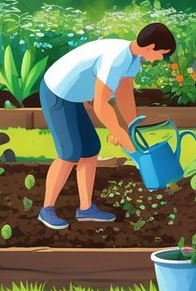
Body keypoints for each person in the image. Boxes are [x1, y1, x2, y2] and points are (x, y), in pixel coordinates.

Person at [37, 23, 176, 230]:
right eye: (162, 54)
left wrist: (131, 126)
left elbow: (124, 94)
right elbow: (101, 105)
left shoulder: (133, 59)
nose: (161, 59)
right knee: (70, 153)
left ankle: (85, 209)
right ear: (151, 47)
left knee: (91, 148)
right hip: (57, 92)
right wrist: (119, 134)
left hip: (73, 97)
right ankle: (46, 209)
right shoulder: (115, 59)